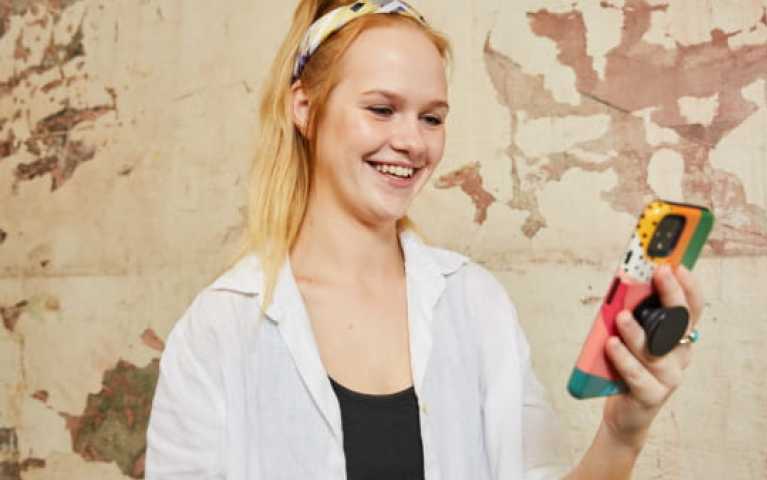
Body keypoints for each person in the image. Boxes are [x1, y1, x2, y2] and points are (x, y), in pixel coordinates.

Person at [144, 1, 706, 479]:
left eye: (432, 118)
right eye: (382, 109)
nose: (411, 142)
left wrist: (622, 434)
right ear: (305, 109)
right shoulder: (218, 331)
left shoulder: (475, 303)